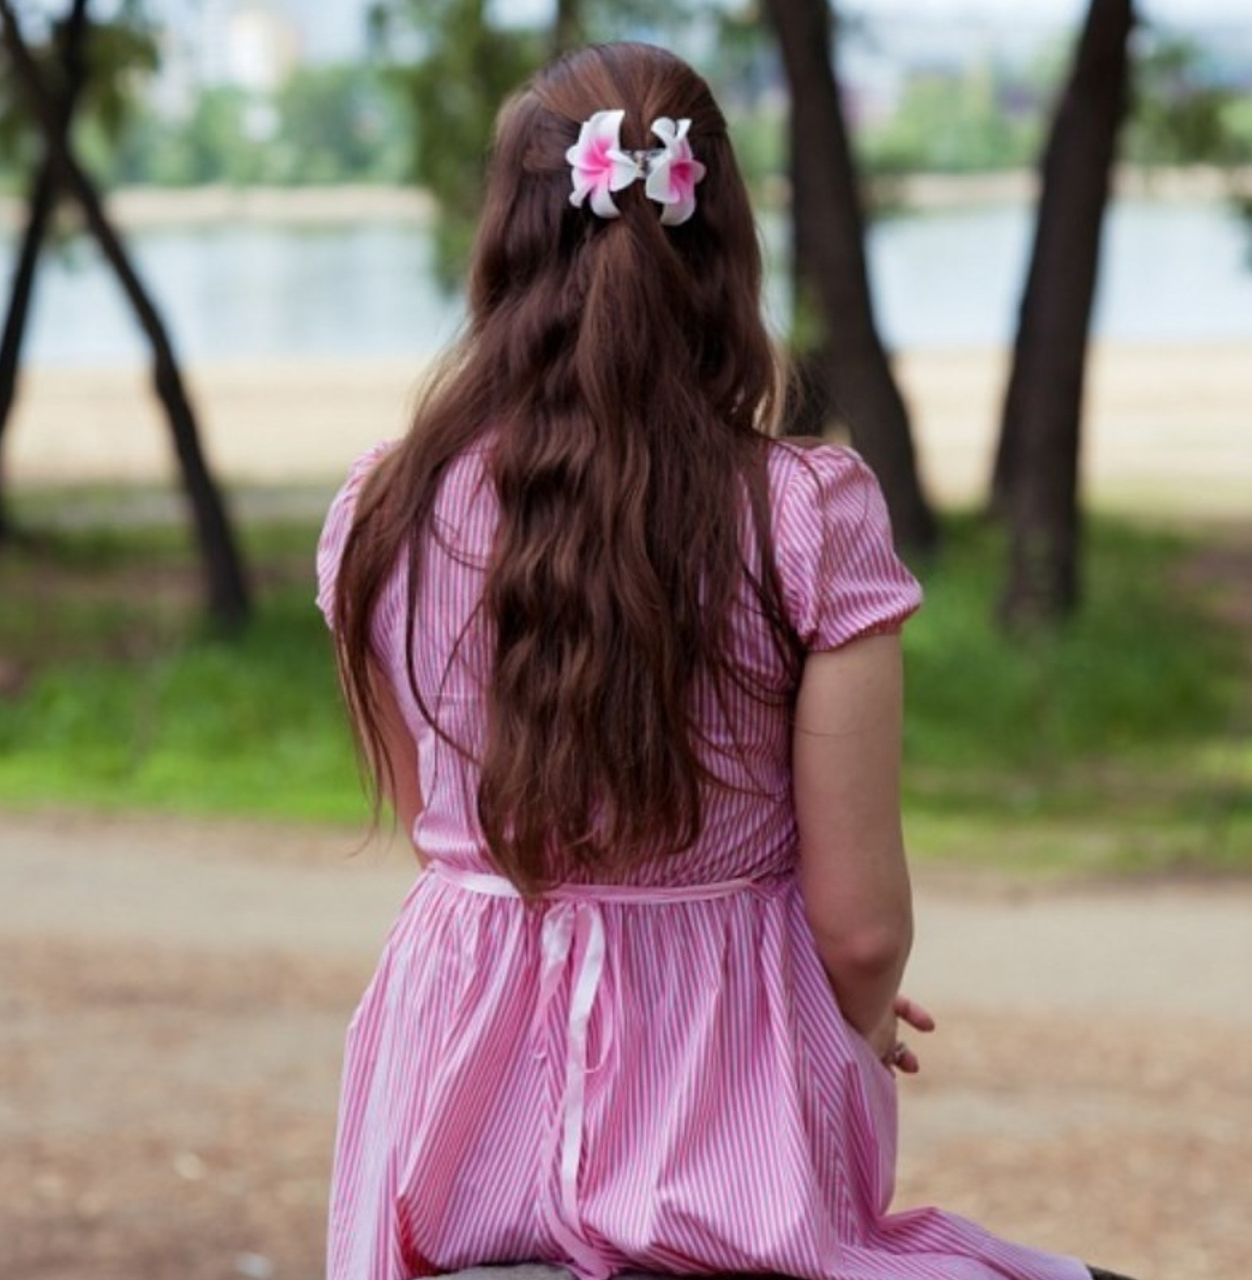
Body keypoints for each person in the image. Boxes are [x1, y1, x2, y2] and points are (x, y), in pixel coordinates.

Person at [316, 41, 1132, 1280]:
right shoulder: (806, 511)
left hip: (445, 1120)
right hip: (715, 1139)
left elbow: (465, 811)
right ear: (721, 244)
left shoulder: (381, 510)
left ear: (505, 245)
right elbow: (859, 933)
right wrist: (827, 1009)